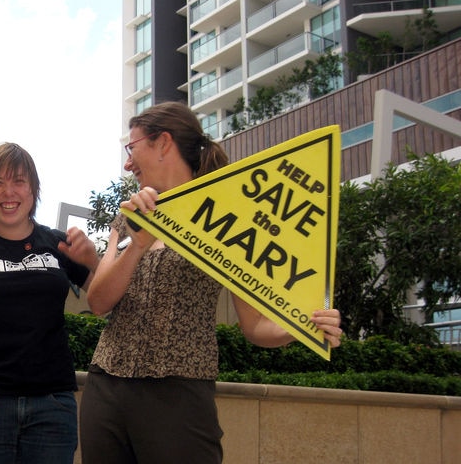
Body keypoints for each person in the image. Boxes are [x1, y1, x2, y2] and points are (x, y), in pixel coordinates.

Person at [79, 101, 344, 463]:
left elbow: (255, 326)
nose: (128, 163)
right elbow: (97, 303)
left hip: (179, 395)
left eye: (132, 147)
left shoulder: (225, 215)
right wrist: (137, 245)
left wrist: (303, 325)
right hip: (105, 387)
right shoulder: (128, 219)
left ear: (162, 143)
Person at [0, 142, 100, 463]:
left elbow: (104, 299)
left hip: (52, 405)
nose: (9, 192)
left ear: (33, 190)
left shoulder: (57, 242)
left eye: (19, 181)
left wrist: (93, 260)